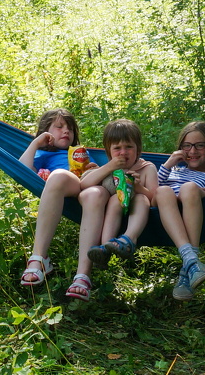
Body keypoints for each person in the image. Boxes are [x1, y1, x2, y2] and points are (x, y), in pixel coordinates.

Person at [66, 119, 159, 301]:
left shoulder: (147, 168)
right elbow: (84, 184)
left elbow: (156, 199)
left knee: (138, 198)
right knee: (115, 199)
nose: (123, 152)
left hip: (138, 211)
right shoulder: (108, 168)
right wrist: (109, 167)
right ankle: (105, 247)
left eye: (128, 147)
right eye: (117, 148)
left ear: (138, 149)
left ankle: (127, 241)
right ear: (109, 152)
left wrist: (138, 187)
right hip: (115, 210)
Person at [17, 108, 96, 286]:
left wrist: (93, 168)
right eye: (59, 127)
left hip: (84, 187)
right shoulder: (43, 154)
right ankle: (38, 257)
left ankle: (79, 275)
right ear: (46, 132)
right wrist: (36, 143)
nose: (66, 131)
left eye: (70, 128)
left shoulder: (78, 152)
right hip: (62, 185)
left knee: (70, 180)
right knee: (59, 174)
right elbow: (22, 170)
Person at [152, 121, 205, 301]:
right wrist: (168, 164)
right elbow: (154, 187)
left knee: (189, 188)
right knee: (163, 190)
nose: (192, 151)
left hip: (190, 203)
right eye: (187, 146)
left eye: (200, 145)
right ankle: (192, 261)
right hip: (164, 206)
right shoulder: (173, 170)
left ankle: (188, 267)